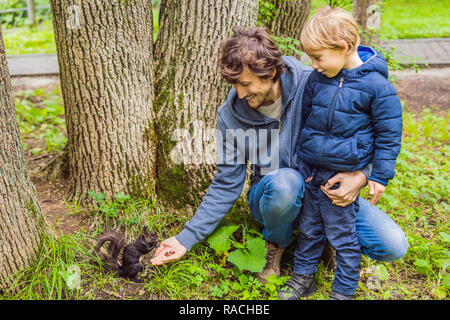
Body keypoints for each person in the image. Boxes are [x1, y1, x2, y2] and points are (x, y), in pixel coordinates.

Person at [150, 26, 408, 286]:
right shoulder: (230, 116)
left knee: (392, 244)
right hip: (273, 197)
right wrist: (186, 238)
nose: (239, 93)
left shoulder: (314, 82)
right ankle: (276, 242)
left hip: (324, 192)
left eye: (245, 83)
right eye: (235, 84)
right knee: (286, 182)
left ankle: (325, 238)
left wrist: (363, 175)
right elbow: (227, 183)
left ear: (271, 72)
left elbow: (371, 131)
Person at [277, 6, 403, 300]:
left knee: (343, 237)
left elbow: (389, 135)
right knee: (309, 231)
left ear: (344, 48)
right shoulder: (318, 79)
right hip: (311, 173)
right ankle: (303, 279)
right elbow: (305, 120)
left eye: (318, 57)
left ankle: (343, 292)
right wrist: (300, 160)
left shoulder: (377, 87)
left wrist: (379, 176)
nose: (314, 64)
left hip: (341, 177)